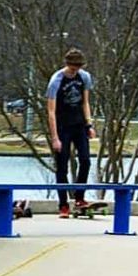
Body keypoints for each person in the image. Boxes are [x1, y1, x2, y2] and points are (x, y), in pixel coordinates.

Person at [46, 48, 96, 217]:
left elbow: (85, 102)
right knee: (62, 165)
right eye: (73, 68)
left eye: (78, 67)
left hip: (79, 125)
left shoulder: (84, 77)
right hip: (62, 127)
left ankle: (80, 198)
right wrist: (55, 138)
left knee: (85, 160)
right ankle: (63, 205)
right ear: (67, 65)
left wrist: (89, 124)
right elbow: (51, 111)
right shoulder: (56, 81)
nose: (76, 70)